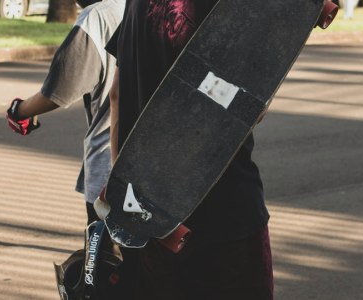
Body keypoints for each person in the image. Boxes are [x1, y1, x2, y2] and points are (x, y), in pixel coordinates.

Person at [103, 1, 274, 299]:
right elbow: (247, 109)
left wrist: (122, 183)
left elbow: (116, 93)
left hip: (149, 209)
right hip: (224, 216)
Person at [5, 0, 125, 225]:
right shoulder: (154, 9)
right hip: (162, 166)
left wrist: (19, 110)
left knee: (106, 257)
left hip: (110, 169)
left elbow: (57, 92)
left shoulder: (98, 18)